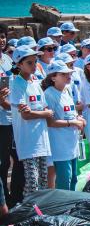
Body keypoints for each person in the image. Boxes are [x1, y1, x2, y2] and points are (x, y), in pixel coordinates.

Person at [10, 47, 53, 197]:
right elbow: (26, 115)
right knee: (32, 182)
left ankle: (38, 213)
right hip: (27, 141)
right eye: (29, 63)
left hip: (41, 138)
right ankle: (29, 213)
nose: (34, 65)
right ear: (19, 65)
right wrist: (45, 113)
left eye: (35, 62)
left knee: (42, 180)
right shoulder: (16, 84)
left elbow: (46, 108)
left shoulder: (36, 82)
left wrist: (43, 112)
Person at [42, 61, 84, 190]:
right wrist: (72, 122)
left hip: (72, 143)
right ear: (53, 77)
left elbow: (71, 113)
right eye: (63, 74)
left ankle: (71, 207)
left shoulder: (67, 91)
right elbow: (50, 122)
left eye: (69, 73)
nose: (68, 75)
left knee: (74, 178)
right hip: (60, 146)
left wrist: (79, 118)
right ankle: (63, 208)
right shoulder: (49, 94)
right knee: (65, 179)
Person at [0, 28, 23, 207]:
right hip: (1, 121)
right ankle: (5, 200)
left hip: (13, 117)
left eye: (2, 37)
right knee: (4, 161)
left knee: (19, 158)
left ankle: (15, 196)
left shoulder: (8, 59)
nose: (1, 40)